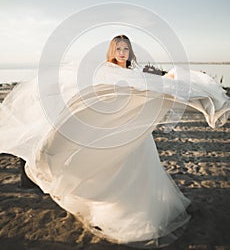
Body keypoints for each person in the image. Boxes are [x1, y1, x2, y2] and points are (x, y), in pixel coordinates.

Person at [0, 34, 229, 248]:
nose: (122, 52)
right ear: (112, 50)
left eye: (126, 48)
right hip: (111, 130)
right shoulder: (105, 71)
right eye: (118, 48)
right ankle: (113, 212)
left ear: (130, 52)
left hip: (132, 132)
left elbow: (155, 87)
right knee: (110, 172)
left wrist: (173, 80)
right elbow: (93, 92)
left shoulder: (138, 72)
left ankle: (142, 215)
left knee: (137, 172)